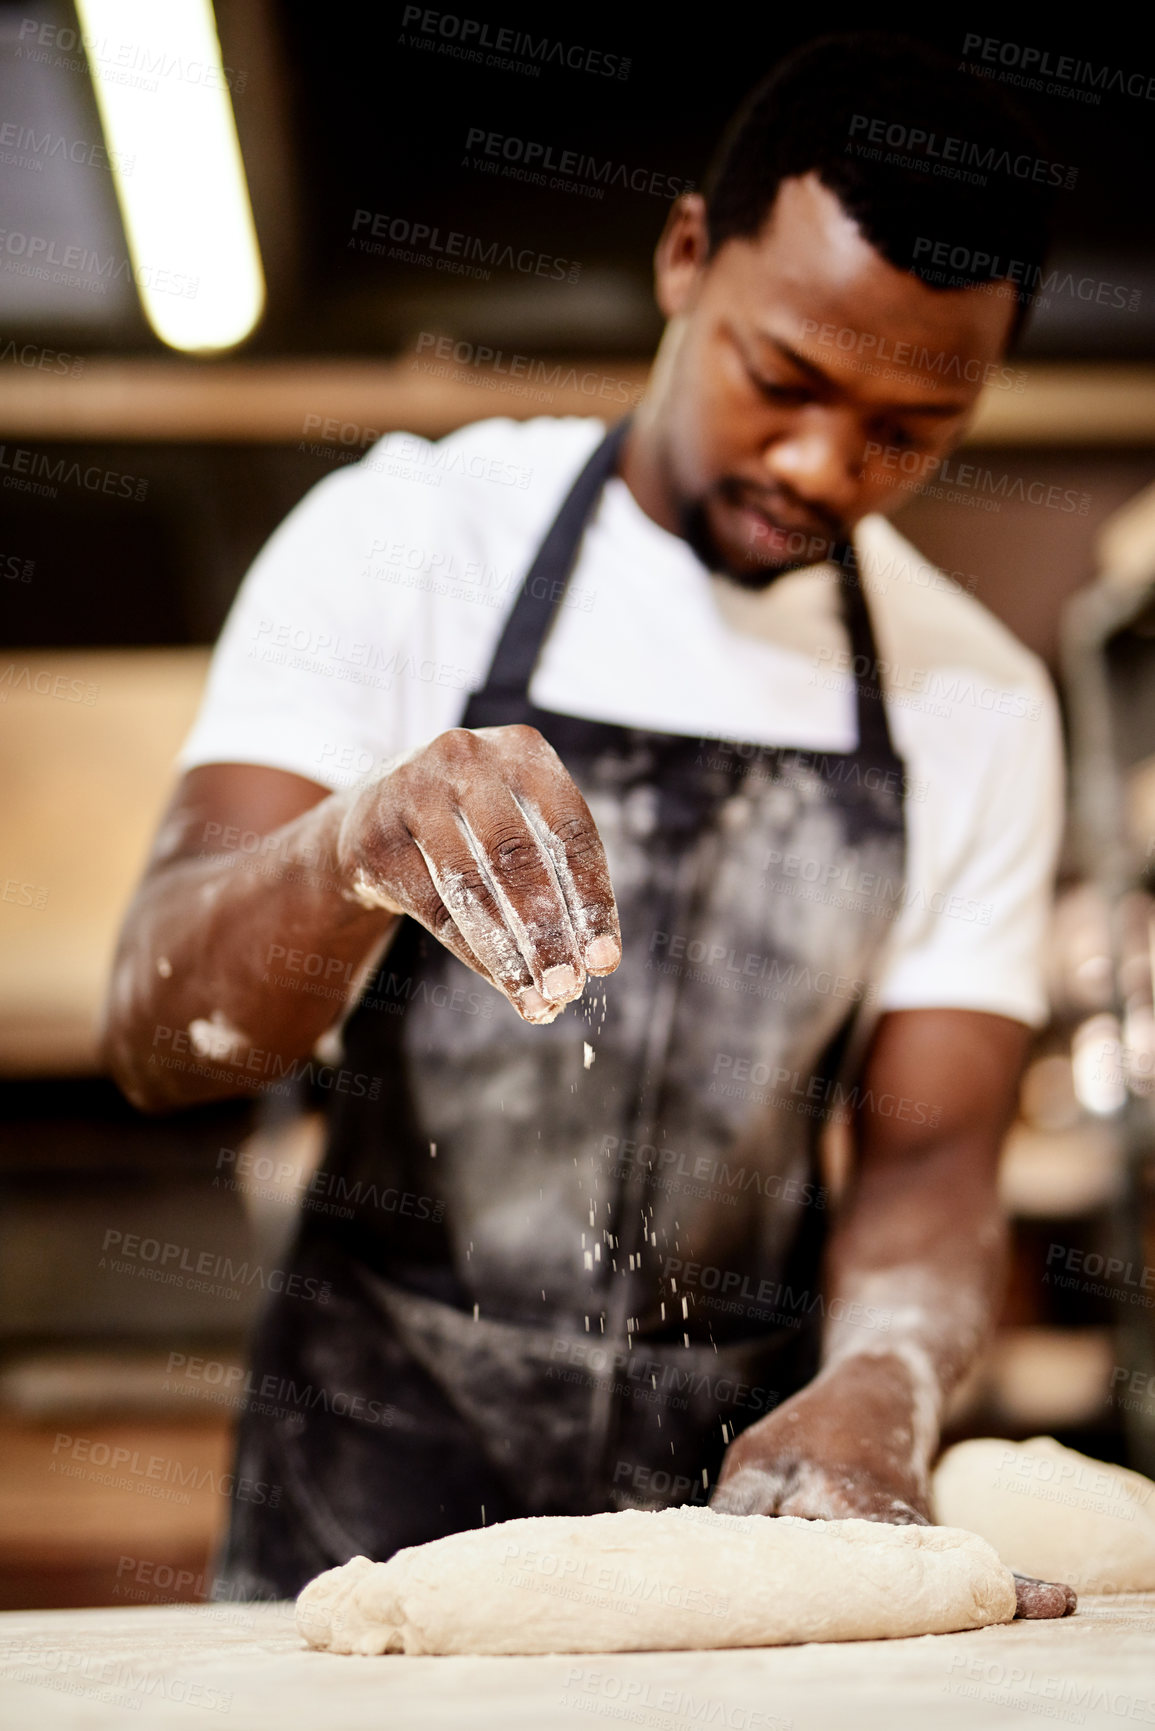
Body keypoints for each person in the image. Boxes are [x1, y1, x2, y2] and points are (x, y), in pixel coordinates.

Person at [104, 33, 1072, 1614]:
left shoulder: (975, 699)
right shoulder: (404, 542)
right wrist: (352, 848)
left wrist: (884, 1383)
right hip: (361, 1498)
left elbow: (937, 1158)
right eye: (788, 379)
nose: (826, 463)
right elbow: (158, 1030)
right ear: (687, 258)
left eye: (913, 429)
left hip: (747, 1537)